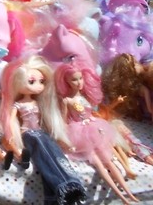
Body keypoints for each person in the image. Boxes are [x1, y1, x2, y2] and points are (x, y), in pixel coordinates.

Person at [0, 55, 86, 205]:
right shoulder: (18, 104)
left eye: (42, 81)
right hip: (28, 133)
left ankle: (56, 195)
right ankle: (67, 185)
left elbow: (47, 119)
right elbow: (12, 120)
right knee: (43, 148)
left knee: (53, 152)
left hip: (39, 131)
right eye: (32, 81)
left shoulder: (37, 102)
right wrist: (11, 134)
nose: (39, 86)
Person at [54, 62, 138, 204]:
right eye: (74, 79)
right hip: (80, 132)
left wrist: (93, 119)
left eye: (80, 78)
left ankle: (128, 193)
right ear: (67, 81)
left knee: (110, 162)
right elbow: (64, 121)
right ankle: (122, 197)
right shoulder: (67, 100)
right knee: (100, 165)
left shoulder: (84, 96)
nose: (79, 82)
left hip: (95, 127)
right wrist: (65, 139)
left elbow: (91, 111)